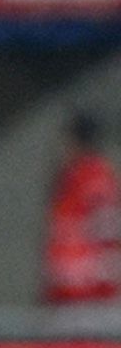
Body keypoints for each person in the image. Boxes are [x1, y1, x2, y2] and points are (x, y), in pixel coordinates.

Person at [43, 112, 121, 304]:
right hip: (89, 291)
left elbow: (105, 238)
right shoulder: (97, 175)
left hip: (86, 294)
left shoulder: (88, 177)